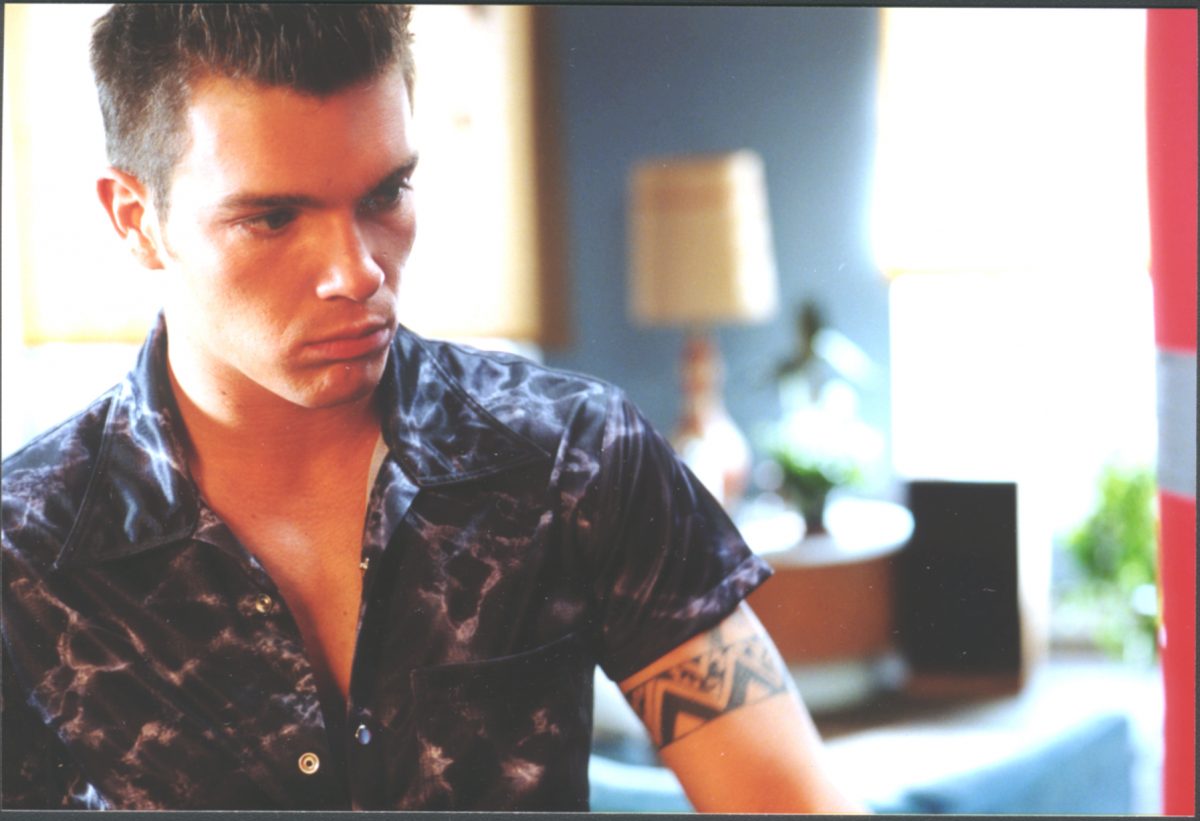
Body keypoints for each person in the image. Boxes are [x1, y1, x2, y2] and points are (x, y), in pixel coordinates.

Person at [1, 4, 862, 812]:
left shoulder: (574, 457)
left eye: (385, 193)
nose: (358, 272)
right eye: (272, 217)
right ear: (135, 218)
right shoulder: (22, 554)